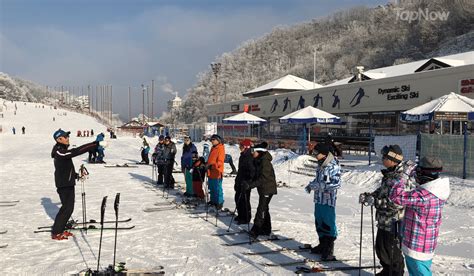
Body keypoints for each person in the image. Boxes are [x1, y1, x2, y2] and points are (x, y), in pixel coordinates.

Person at [389, 157, 450, 276]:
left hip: (417, 246)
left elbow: (395, 196)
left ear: (423, 175)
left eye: (418, 173)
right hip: (425, 243)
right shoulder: (436, 191)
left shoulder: (423, 196)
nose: (416, 176)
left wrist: (404, 174)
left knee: (420, 273)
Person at [365, 145, 416, 276]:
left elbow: (398, 202)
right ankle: (387, 270)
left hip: (395, 221)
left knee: (392, 251)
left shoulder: (402, 178)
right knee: (381, 248)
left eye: (384, 157)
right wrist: (371, 196)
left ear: (393, 159)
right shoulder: (390, 174)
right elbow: (382, 191)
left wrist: (376, 202)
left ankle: (395, 273)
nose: (382, 159)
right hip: (383, 219)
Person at [50, 129, 100, 240]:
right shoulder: (59, 151)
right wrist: (92, 145)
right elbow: (74, 152)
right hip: (64, 185)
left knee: (68, 208)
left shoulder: (62, 150)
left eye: (67, 136)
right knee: (66, 209)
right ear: (59, 139)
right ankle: (56, 232)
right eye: (65, 137)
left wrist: (76, 175)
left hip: (67, 183)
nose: (68, 138)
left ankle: (61, 228)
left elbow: (65, 169)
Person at [305, 143, 341, 261]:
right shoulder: (321, 165)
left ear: (324, 154)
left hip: (327, 200)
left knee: (328, 223)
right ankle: (322, 245)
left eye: (316, 153)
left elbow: (336, 183)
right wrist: (311, 185)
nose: (315, 155)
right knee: (319, 222)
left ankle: (329, 249)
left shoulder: (333, 166)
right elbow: (318, 180)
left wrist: (318, 185)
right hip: (318, 199)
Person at [241, 142, 277, 239]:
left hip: (267, 188)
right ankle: (266, 228)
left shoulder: (265, 162)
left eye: (254, 151)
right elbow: (256, 176)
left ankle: (256, 229)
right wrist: (248, 182)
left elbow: (263, 179)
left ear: (260, 152)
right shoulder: (258, 160)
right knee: (264, 208)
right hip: (263, 188)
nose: (252, 153)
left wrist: (250, 185)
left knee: (261, 209)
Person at [234, 139, 255, 224]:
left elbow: (252, 171)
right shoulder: (243, 155)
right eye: (240, 146)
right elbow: (240, 170)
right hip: (240, 180)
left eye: (241, 146)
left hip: (246, 182)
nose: (240, 148)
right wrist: (237, 181)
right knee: (237, 198)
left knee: (245, 200)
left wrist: (248, 181)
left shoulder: (250, 156)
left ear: (246, 147)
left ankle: (246, 218)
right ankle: (240, 215)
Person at [206, 134, 225, 210]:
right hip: (211, 172)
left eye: (213, 140)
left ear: (218, 140)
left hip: (217, 172)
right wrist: (207, 165)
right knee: (212, 187)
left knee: (217, 188)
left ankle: (219, 202)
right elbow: (211, 159)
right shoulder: (213, 148)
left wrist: (212, 166)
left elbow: (220, 162)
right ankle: (213, 200)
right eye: (211, 140)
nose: (212, 141)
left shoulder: (220, 148)